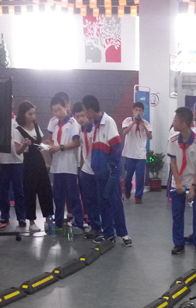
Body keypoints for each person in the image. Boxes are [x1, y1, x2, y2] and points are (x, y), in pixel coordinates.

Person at [82, 94, 132, 246]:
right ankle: (108, 233)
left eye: (85, 111)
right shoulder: (95, 125)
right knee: (102, 203)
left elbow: (117, 146)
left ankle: (123, 234)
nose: (84, 114)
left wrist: (110, 167)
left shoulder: (108, 122)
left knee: (115, 202)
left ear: (90, 111)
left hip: (110, 173)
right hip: (99, 173)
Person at [167, 107, 196, 255]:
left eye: (175, 120)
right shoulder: (172, 140)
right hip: (178, 180)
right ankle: (178, 243)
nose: (173, 122)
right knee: (177, 213)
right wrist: (178, 182)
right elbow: (172, 162)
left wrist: (193, 187)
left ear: (183, 124)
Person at [46, 93, 84, 234]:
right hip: (57, 166)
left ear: (66, 107)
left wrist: (60, 147)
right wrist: (49, 144)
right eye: (54, 111)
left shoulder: (73, 123)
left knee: (73, 196)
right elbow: (53, 141)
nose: (57, 113)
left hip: (69, 165)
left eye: (59, 110)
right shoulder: (54, 123)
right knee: (58, 196)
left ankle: (79, 223)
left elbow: (76, 143)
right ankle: (58, 223)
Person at [14, 100, 54, 233]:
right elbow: (18, 151)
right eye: (30, 114)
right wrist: (25, 144)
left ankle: (48, 219)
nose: (33, 116)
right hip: (28, 163)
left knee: (45, 191)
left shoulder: (36, 127)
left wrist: (45, 161)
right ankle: (31, 221)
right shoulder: (18, 130)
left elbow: (39, 147)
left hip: (39, 162)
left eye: (34, 113)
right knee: (30, 192)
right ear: (23, 115)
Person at [0, 109, 28, 228]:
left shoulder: (18, 121)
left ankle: (21, 217)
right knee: (3, 191)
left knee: (19, 191)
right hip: (2, 161)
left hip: (17, 161)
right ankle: (4, 216)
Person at [72, 102, 102, 240]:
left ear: (88, 114)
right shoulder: (80, 130)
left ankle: (108, 226)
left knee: (101, 200)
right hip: (86, 170)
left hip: (98, 169)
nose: (80, 119)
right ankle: (95, 226)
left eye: (83, 115)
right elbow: (83, 151)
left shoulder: (95, 128)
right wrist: (82, 168)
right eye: (77, 116)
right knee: (89, 200)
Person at [122, 101, 152, 204]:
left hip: (141, 155)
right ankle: (127, 189)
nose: (138, 112)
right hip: (129, 154)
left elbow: (150, 137)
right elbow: (124, 132)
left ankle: (138, 196)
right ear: (132, 110)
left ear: (143, 112)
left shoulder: (146, 123)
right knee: (128, 177)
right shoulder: (127, 121)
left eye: (140, 110)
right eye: (136, 110)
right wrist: (134, 122)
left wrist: (143, 126)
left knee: (140, 178)